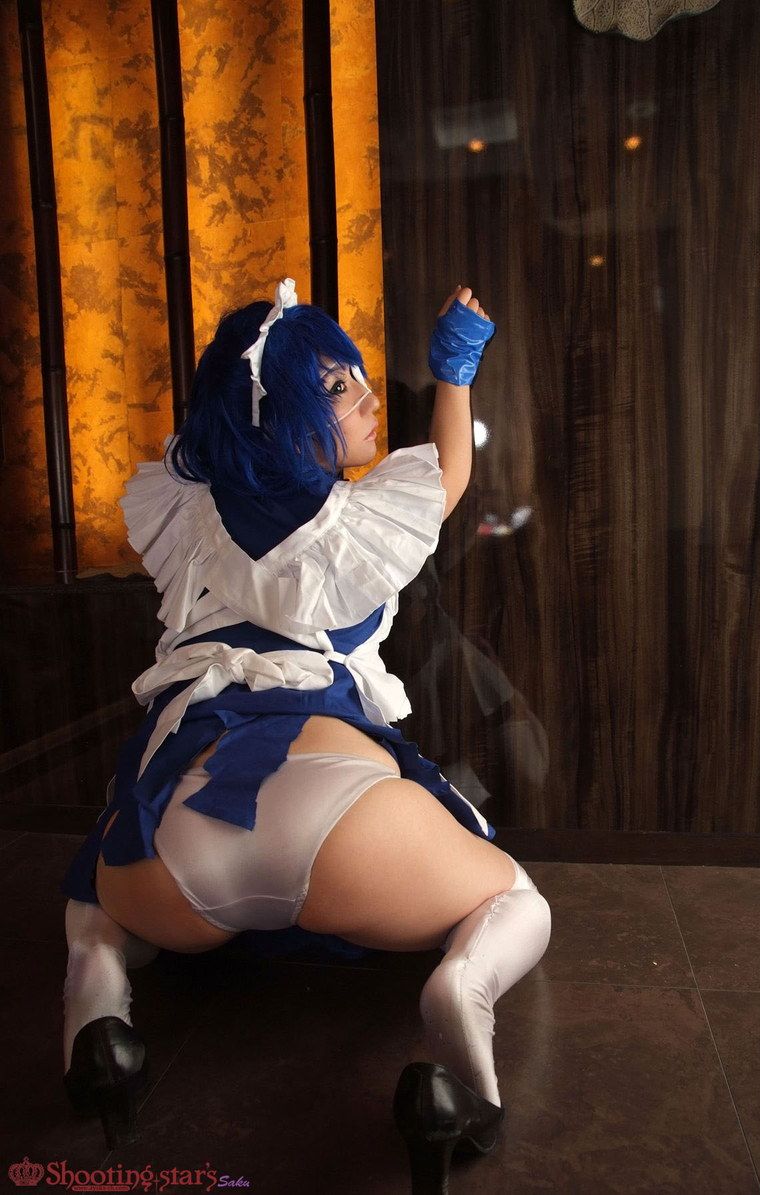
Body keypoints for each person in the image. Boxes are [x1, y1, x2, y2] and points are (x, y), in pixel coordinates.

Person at [58, 278, 552, 1189]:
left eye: (358, 377)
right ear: (278, 415)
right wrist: (454, 369)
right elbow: (450, 473)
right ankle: (463, 1031)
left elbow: (210, 450)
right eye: (335, 387)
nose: (366, 398)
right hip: (342, 826)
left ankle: (97, 1004)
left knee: (97, 886)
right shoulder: (355, 521)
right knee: (517, 901)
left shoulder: (192, 518)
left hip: (174, 855)